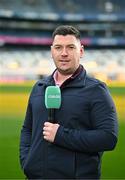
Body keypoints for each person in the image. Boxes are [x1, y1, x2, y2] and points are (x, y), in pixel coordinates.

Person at [20, 25, 118, 179]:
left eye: (70, 47)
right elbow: (27, 129)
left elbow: (108, 138)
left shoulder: (96, 90)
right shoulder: (39, 87)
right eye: (58, 47)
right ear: (52, 51)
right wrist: (27, 161)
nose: (64, 53)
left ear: (81, 51)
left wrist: (61, 135)